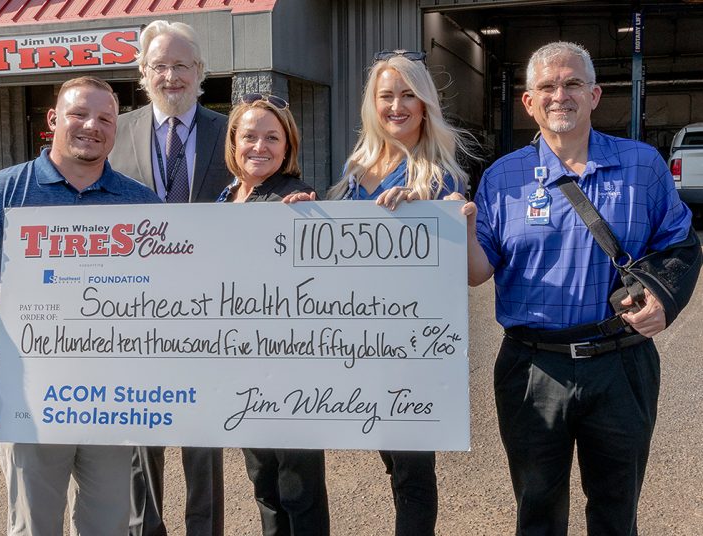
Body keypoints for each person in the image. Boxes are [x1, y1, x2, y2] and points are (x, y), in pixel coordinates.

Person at [454, 41, 695, 535]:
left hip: (622, 363)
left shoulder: (643, 165)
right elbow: (478, 272)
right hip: (532, 367)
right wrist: (460, 231)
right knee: (537, 511)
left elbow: (680, 243)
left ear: (594, 95)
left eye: (572, 84)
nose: (559, 95)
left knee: (616, 508)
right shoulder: (501, 178)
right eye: (546, 86)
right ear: (528, 101)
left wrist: (664, 300)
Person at [0, 76, 160, 536]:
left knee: (109, 523)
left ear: (116, 128)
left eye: (105, 118)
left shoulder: (141, 202)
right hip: (26, 384)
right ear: (53, 119)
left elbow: (170, 294)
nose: (92, 126)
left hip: (113, 387)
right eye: (78, 114)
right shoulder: (0, 194)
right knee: (35, 523)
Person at [287, 49, 473, 536]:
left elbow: (454, 261)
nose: (396, 106)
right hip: (359, 343)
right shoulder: (357, 167)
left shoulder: (440, 175)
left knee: (412, 471)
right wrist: (309, 208)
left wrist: (424, 208)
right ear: (372, 104)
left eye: (408, 95)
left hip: (408, 349)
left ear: (425, 104)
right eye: (386, 95)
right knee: (390, 457)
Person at [107, 20, 229, 536]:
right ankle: (146, 529)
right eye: (160, 65)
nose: (171, 76)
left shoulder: (231, 132)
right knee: (141, 435)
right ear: (143, 72)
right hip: (134, 310)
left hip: (209, 308)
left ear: (200, 71)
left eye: (182, 65)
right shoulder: (116, 131)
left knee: (204, 438)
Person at [217, 93, 330, 535]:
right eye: (250, 136)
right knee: (263, 480)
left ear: (288, 146)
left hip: (291, 370)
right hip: (242, 364)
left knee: (298, 485)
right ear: (234, 141)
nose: (259, 146)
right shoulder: (226, 197)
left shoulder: (296, 200)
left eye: (272, 137)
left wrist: (310, 221)